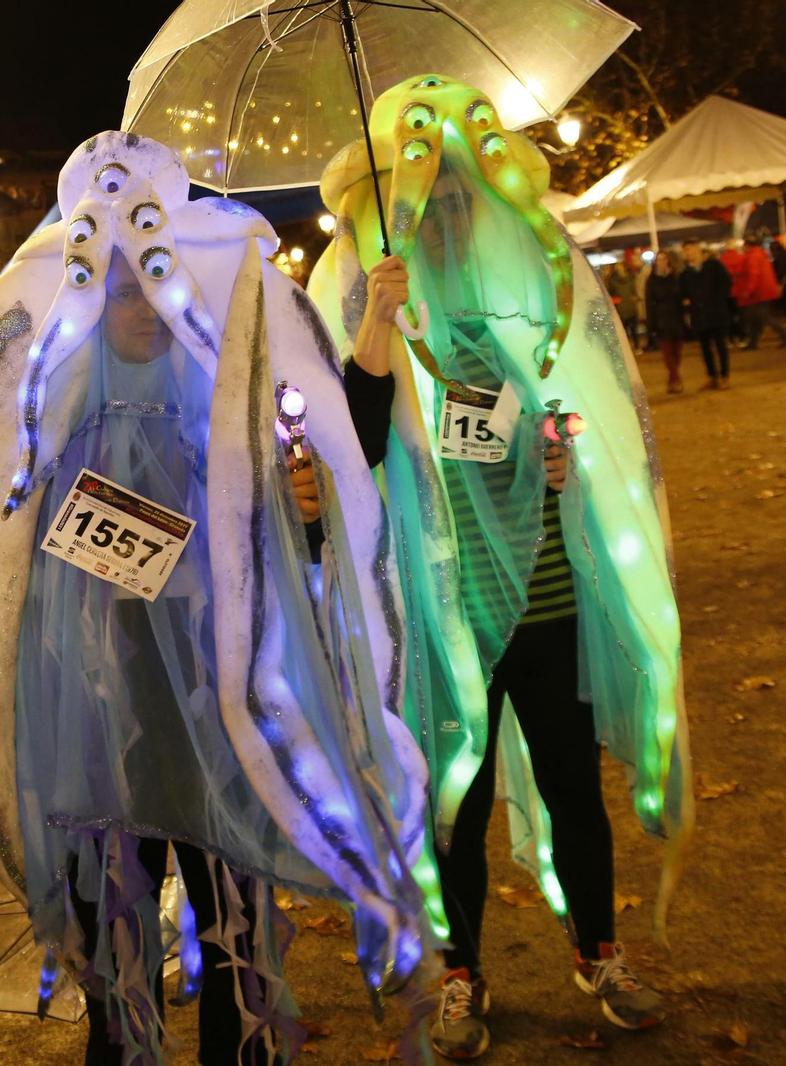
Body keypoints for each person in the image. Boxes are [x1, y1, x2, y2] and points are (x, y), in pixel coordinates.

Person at [0, 132, 427, 1066]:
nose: (145, 311)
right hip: (101, 712)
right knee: (117, 938)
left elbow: (321, 471)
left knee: (235, 918)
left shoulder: (226, 390)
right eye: (122, 292)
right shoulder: (50, 405)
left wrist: (301, 501)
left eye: (156, 286)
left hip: (215, 691)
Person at [305, 74, 689, 1062]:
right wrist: (376, 326)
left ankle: (596, 952)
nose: (444, 226)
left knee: (573, 790)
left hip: (547, 601)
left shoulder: (519, 313)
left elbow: (566, 410)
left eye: (460, 208)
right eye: (426, 211)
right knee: (454, 808)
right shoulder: (371, 321)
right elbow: (350, 451)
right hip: (445, 617)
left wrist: (561, 450)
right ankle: (461, 974)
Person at [683, 240, 734, 390]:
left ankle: (725, 376)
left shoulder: (714, 266)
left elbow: (726, 284)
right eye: (685, 251)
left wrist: (717, 300)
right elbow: (684, 292)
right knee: (705, 348)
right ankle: (712, 376)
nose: (687, 253)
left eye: (689, 249)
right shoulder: (686, 273)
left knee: (720, 345)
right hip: (699, 315)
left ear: (698, 249)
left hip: (716, 312)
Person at [644, 250, 687, 393]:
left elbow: (682, 296)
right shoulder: (652, 280)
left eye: (664, 259)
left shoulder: (676, 277)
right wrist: (651, 324)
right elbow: (649, 303)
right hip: (661, 319)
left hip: (677, 318)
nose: (661, 262)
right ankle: (676, 380)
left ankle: (672, 379)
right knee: (667, 352)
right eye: (659, 259)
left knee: (677, 352)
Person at [737, 234, 786, 349]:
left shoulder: (752, 256)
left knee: (764, 317)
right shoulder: (760, 254)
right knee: (758, 318)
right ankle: (753, 343)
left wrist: (749, 290)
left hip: (759, 292)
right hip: (765, 291)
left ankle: (783, 335)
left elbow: (754, 274)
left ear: (746, 245)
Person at [601, 261, 640, 349]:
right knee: (634, 329)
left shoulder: (612, 280)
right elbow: (634, 291)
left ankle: (627, 347)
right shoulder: (631, 277)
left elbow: (610, 293)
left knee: (624, 329)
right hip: (631, 306)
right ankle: (637, 346)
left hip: (620, 307)